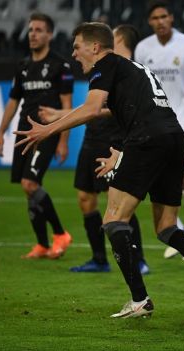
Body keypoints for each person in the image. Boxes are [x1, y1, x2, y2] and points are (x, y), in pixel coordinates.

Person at [15, 22, 184, 318]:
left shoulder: (105, 64)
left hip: (148, 140)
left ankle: (140, 299)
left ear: (95, 46)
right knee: (167, 226)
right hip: (172, 139)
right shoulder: (135, 69)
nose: (74, 54)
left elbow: (93, 109)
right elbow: (133, 113)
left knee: (113, 219)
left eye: (77, 46)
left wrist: (48, 130)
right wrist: (121, 154)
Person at [39, 25, 150, 274]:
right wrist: (63, 114)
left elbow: (111, 107)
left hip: (114, 139)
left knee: (119, 203)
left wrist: (58, 118)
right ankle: (99, 259)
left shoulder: (127, 70)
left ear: (121, 39)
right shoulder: (103, 67)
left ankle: (139, 259)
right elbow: (92, 106)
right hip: (92, 137)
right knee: (85, 198)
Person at [134, 0, 184, 259]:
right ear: (149, 22)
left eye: (164, 16)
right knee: (156, 181)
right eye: (155, 18)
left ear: (172, 18)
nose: (160, 21)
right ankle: (178, 233)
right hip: (154, 124)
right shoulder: (143, 49)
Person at [0, 12, 73, 259]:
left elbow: (67, 105)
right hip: (25, 133)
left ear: (49, 34)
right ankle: (41, 244)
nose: (33, 34)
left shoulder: (61, 66)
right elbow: (13, 101)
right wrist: (0, 133)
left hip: (46, 133)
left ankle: (60, 234)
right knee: (29, 188)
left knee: (30, 183)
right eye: (30, 30)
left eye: (39, 30)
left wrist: (63, 141)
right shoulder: (23, 66)